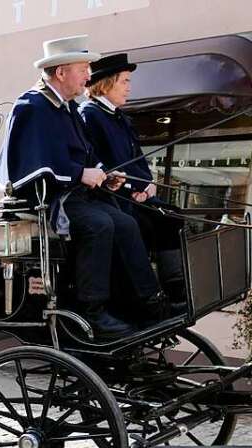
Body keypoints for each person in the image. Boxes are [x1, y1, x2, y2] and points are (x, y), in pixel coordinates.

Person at [0, 35, 172, 336]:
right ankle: (93, 311)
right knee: (100, 224)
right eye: (83, 68)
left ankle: (149, 302)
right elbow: (35, 165)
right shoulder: (33, 105)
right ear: (61, 72)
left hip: (76, 195)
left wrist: (104, 174)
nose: (89, 75)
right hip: (49, 201)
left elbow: (85, 154)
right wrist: (80, 174)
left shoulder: (67, 107)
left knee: (126, 223)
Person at [80, 53, 185, 302]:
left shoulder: (122, 118)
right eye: (125, 81)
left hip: (134, 195)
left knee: (172, 216)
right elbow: (96, 163)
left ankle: (176, 286)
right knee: (146, 225)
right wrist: (130, 188)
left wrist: (147, 186)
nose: (129, 87)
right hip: (111, 199)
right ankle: (149, 294)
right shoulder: (90, 114)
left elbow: (138, 160)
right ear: (106, 83)